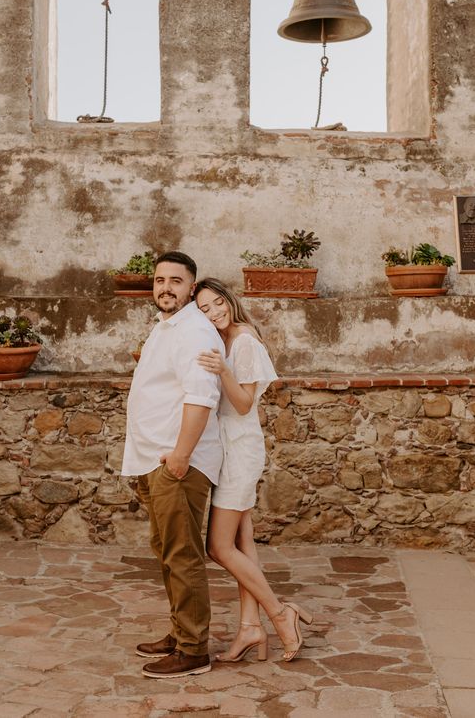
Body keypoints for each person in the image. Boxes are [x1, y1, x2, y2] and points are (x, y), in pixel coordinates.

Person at [195, 277, 313, 663]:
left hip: (240, 450)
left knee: (218, 546)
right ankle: (249, 627)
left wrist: (222, 370)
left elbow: (244, 404)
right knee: (242, 545)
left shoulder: (243, 340)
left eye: (217, 303)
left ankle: (281, 614)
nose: (214, 312)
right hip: (225, 449)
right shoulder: (222, 340)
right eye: (204, 309)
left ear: (229, 299)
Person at [121, 251, 224, 679]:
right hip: (154, 459)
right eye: (159, 280)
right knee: (166, 552)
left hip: (177, 463)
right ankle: (180, 631)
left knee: (182, 556)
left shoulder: (195, 332)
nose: (165, 287)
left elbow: (202, 397)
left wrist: (180, 457)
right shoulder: (168, 327)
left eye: (175, 281)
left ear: (192, 287)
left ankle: (193, 650)